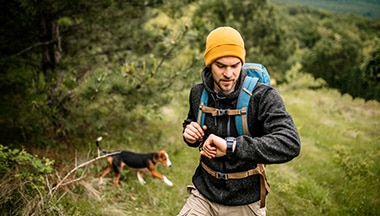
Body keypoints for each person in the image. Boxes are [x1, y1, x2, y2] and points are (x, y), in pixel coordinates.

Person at [178, 26, 301, 216]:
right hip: (203, 194)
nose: (229, 74)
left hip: (245, 202)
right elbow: (191, 122)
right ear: (209, 64)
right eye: (221, 66)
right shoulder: (198, 93)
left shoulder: (262, 96)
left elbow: (290, 143)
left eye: (235, 65)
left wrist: (231, 145)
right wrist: (190, 134)